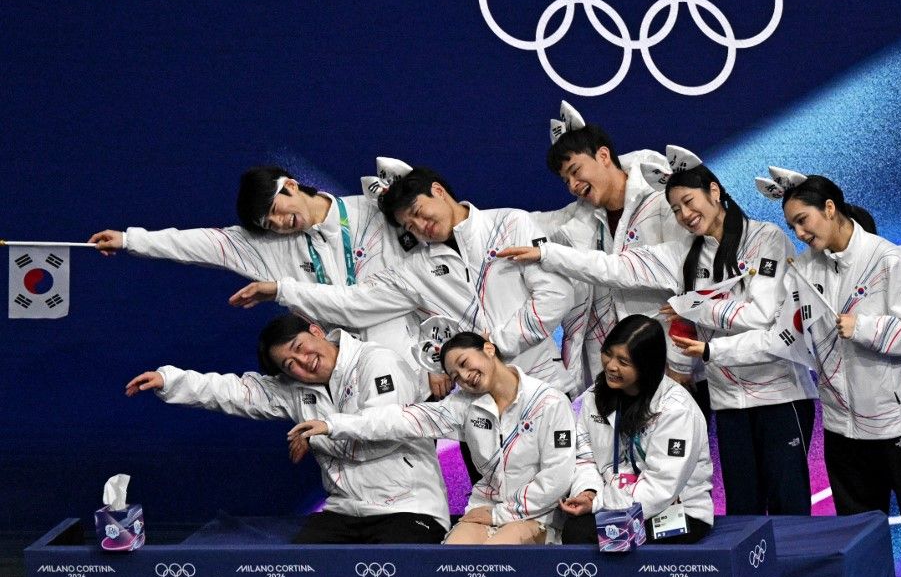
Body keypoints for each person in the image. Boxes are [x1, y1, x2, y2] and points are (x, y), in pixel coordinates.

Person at [674, 173, 901, 577]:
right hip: (841, 427)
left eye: (804, 221)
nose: (799, 233)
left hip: (898, 423)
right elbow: (780, 338)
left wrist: (866, 327)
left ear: (831, 209)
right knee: (856, 535)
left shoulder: (889, 260)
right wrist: (712, 351)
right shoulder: (804, 271)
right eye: (792, 226)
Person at [501, 156, 818, 515]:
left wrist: (690, 305)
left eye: (689, 202)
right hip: (728, 399)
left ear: (714, 192)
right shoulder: (684, 252)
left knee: (788, 509)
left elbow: (760, 315)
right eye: (675, 209)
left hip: (779, 393)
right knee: (743, 511)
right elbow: (613, 267)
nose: (684, 214)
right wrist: (547, 254)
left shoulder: (766, 238)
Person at [228, 166, 578, 397]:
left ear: (438, 191)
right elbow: (353, 303)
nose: (418, 226)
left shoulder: (509, 223)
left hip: (543, 385)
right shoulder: (416, 270)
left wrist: (497, 344)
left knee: (573, 499)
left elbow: (557, 294)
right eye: (408, 225)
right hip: (478, 402)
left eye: (418, 212)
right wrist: (282, 289)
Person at [125, 313, 449, 544]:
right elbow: (236, 391)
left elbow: (386, 430)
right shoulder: (295, 388)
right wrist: (170, 380)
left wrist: (325, 428)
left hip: (409, 506)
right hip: (345, 511)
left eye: (300, 346)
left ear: (316, 331)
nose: (303, 361)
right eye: (289, 364)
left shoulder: (377, 362)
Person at [88, 161, 422, 368]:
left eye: (275, 209)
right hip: (343, 365)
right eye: (268, 223)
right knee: (381, 462)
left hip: (409, 354)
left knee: (445, 447)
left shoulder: (372, 212)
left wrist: (434, 353)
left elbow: (426, 275)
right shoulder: (269, 246)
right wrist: (129, 240)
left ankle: (459, 483)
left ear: (290, 185)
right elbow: (201, 243)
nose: (278, 223)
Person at [290, 332, 575, 545]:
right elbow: (400, 419)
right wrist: (333, 424)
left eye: (465, 362)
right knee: (449, 566)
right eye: (456, 375)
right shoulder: (463, 404)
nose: (465, 376)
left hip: (536, 513)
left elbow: (557, 477)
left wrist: (500, 516)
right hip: (485, 507)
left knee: (495, 559)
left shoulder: (549, 402)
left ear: (489, 349)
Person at [532, 103, 692, 392]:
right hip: (616, 379)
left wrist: (680, 363)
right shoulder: (582, 218)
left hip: (671, 369)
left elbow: (692, 282)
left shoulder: (664, 199)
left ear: (603, 155)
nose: (572, 184)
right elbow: (531, 223)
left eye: (576, 170)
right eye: (565, 180)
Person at [560, 315, 713, 545]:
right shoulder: (594, 396)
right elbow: (585, 457)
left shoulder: (676, 410)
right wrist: (589, 491)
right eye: (608, 354)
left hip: (675, 510)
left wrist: (600, 503)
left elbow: (660, 488)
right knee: (575, 528)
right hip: (612, 503)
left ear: (646, 366)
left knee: (595, 536)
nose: (611, 366)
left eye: (624, 361)